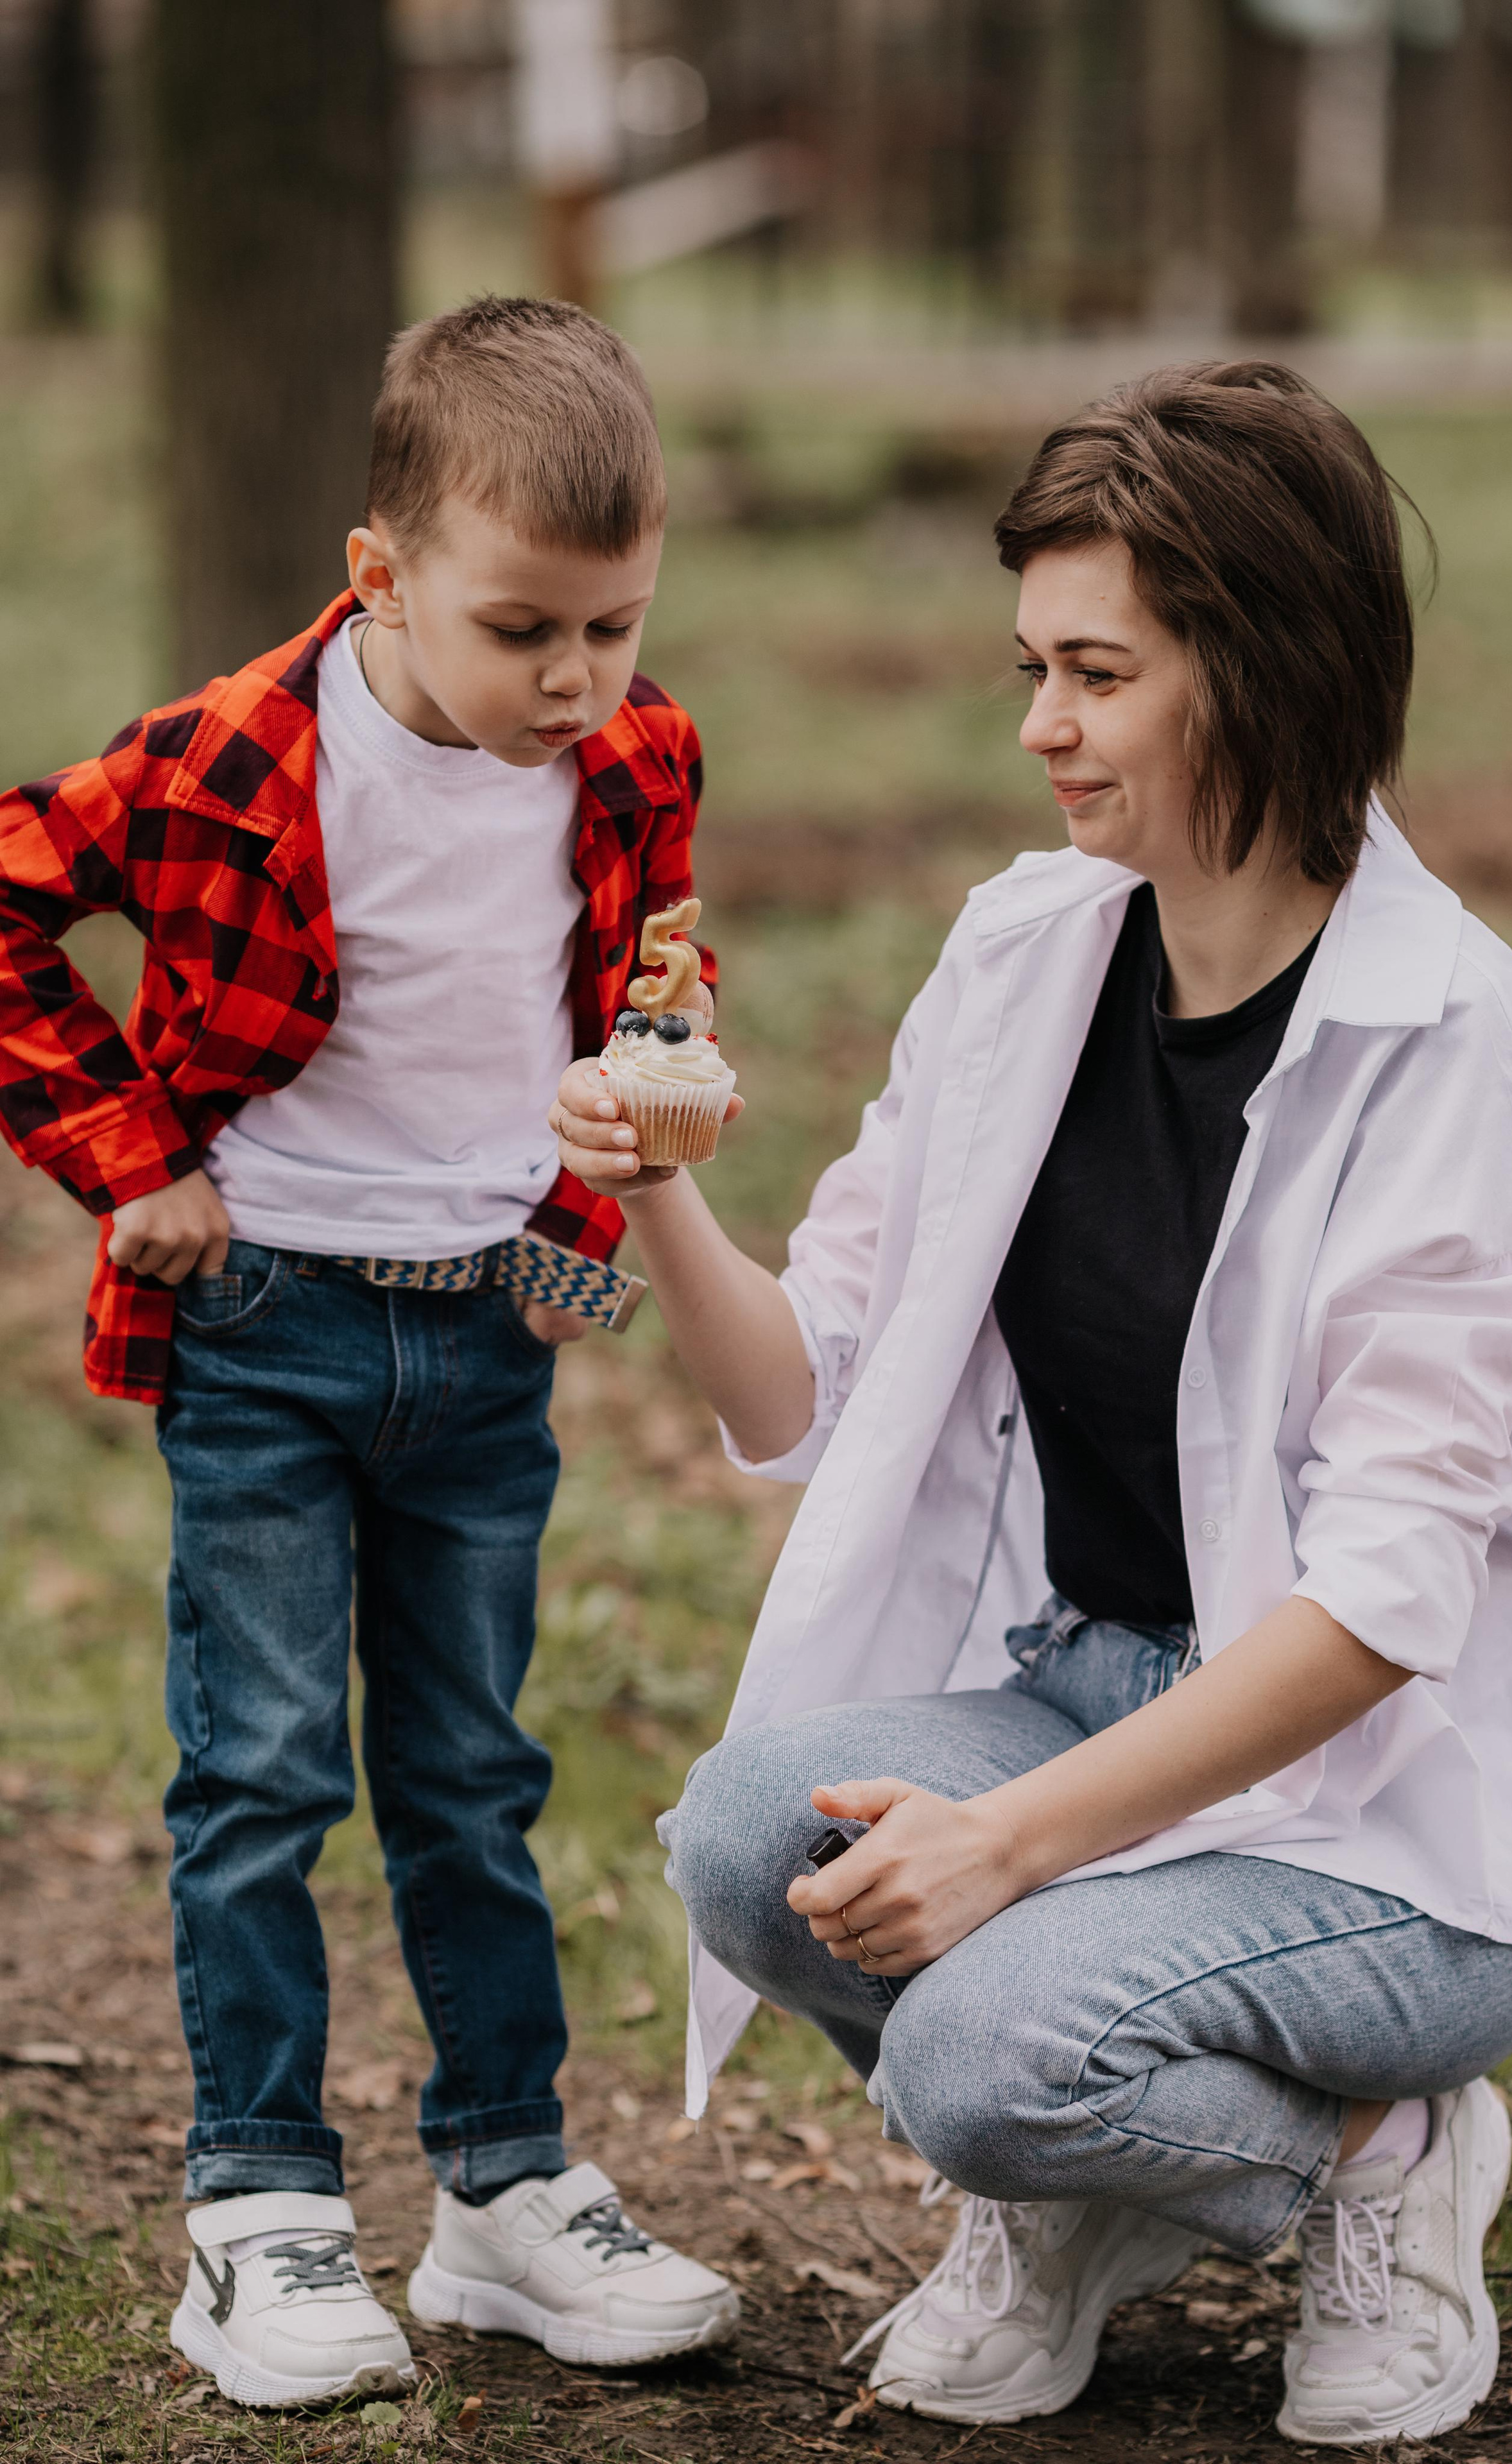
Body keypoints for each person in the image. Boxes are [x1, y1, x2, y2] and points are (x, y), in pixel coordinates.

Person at [551, 362, 1512, 2451]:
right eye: (1030, 666)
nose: (1038, 725)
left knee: (975, 2056)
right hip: (1090, 1689)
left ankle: (1384, 2168)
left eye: (1095, 673)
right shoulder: (1028, 952)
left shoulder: (1471, 1053)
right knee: (752, 1837)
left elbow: (1391, 1601)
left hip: (1383, 1829)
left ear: (1267, 670)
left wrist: (1008, 1851)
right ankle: (1099, 2180)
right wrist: (660, 1190)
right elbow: (812, 1395)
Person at [0, 296, 738, 2408]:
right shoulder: (231, 755)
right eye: (527, 631)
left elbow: (647, 1003)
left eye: (616, 625)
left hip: (485, 1337)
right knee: (257, 1778)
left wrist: (596, 1213)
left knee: (472, 1781)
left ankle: (505, 2193)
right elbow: (7, 895)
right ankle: (259, 2217)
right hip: (266, 1330)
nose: (581, 680)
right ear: (380, 574)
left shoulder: (640, 751)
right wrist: (130, 1152)